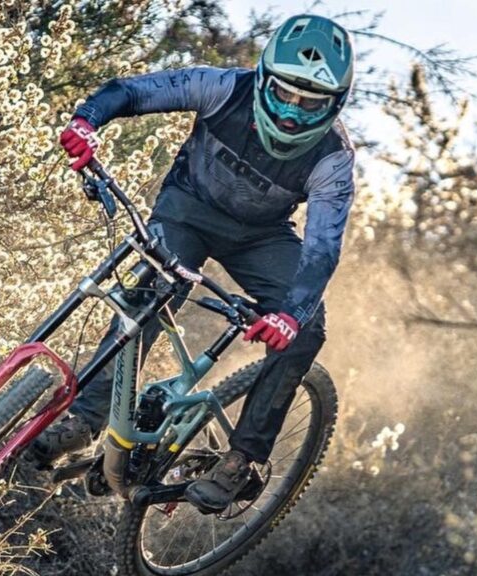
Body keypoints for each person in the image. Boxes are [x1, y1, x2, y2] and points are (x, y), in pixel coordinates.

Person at [30, 14, 356, 513]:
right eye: (284, 93)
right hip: (188, 210)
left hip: (261, 236)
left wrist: (290, 315)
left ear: (334, 104)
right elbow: (130, 92)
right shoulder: (221, 88)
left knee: (308, 327)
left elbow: (322, 248)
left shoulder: (333, 156)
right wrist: (86, 121)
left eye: (310, 102)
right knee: (151, 291)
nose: (292, 112)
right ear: (263, 78)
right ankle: (84, 419)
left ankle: (243, 460)